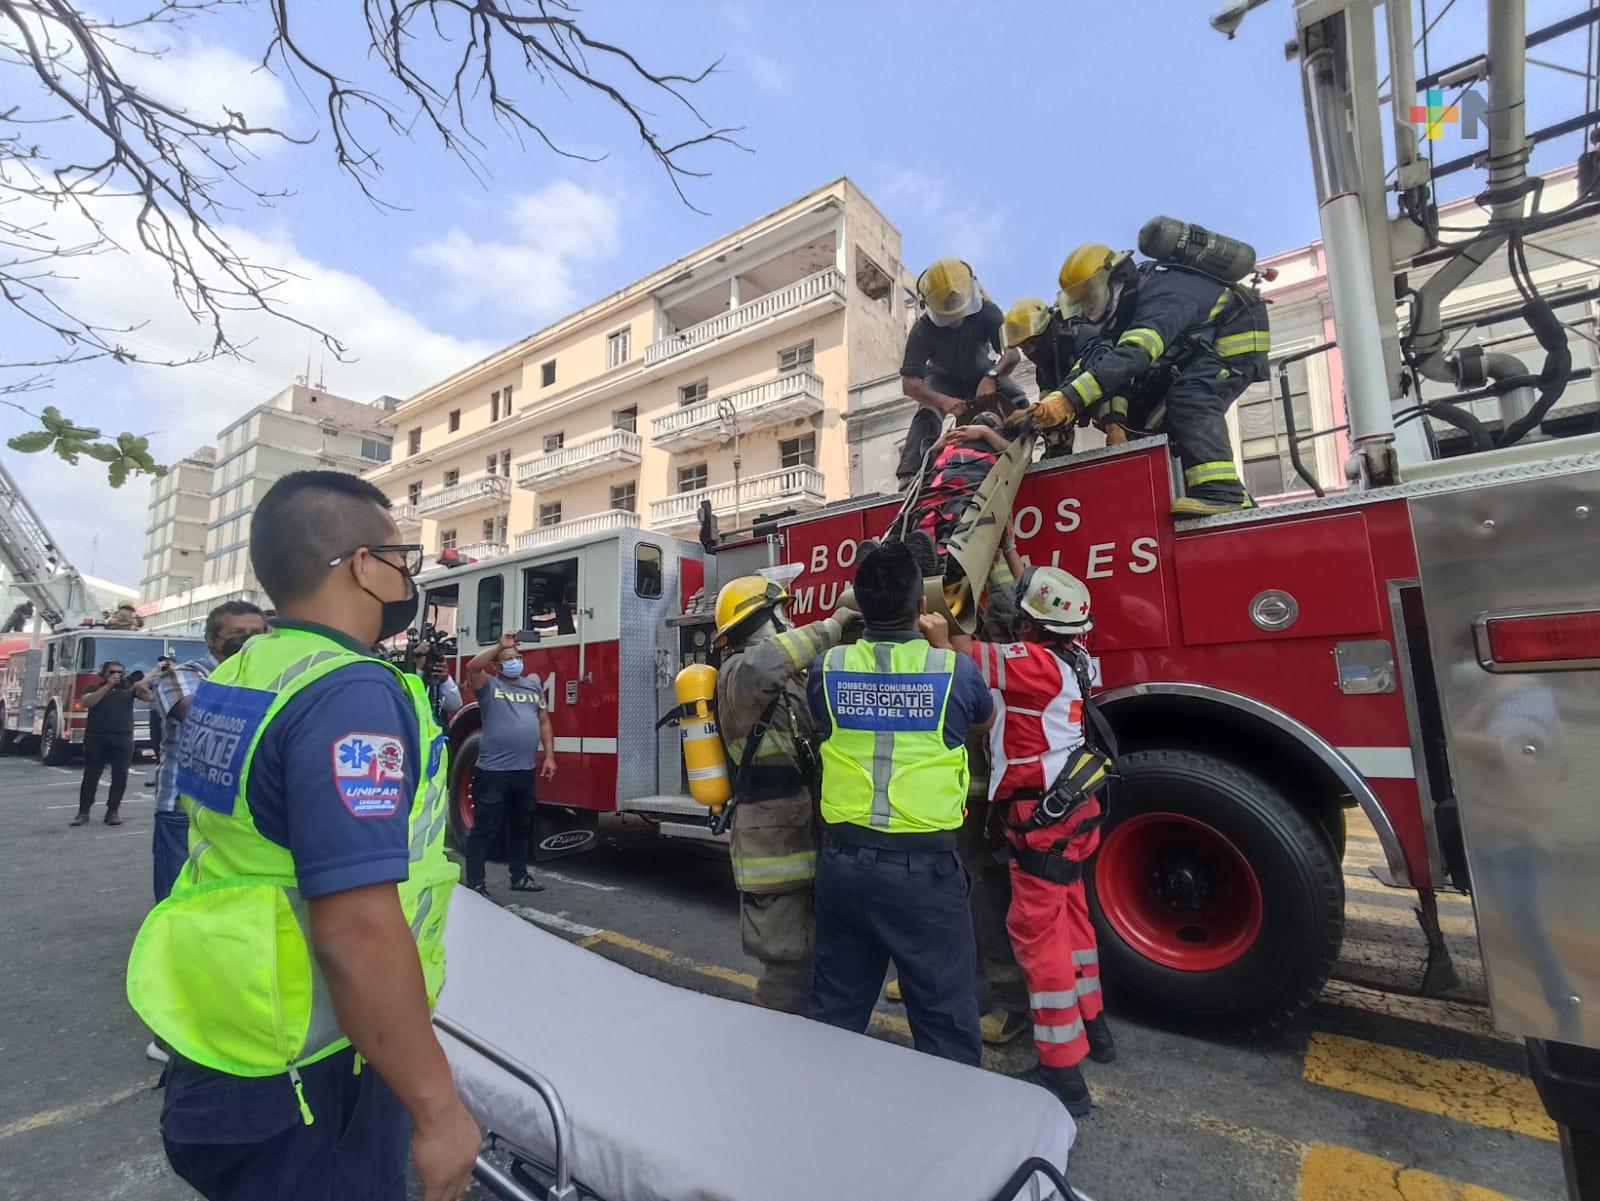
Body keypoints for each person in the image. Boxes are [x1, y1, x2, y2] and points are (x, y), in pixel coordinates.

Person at [126, 470, 479, 1201]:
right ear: (361, 564)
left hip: (230, 1038)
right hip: (311, 1074)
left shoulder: (248, 669)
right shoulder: (350, 691)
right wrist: (437, 1107)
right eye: (400, 556)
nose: (406, 575)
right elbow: (354, 929)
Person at [805, 541, 995, 1065]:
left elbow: (824, 719)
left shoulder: (826, 668)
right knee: (944, 1028)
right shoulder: (951, 670)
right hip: (923, 877)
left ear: (860, 606)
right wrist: (946, 645)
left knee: (834, 1017)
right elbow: (981, 720)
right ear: (920, 606)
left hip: (842, 867)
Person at [953, 566, 1116, 1117]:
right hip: (1074, 811)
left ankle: (1062, 1070)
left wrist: (933, 625)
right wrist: (1015, 563)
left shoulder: (1034, 664)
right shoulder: (1076, 658)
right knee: (1074, 918)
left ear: (1030, 619)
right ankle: (1094, 1028)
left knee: (1036, 935)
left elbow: (963, 650)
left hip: (1041, 818)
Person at [712, 575, 861, 1013]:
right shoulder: (738, 675)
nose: (791, 620)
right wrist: (831, 626)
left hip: (806, 837)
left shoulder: (787, 681)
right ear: (763, 619)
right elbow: (766, 665)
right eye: (783, 613)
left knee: (817, 962)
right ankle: (776, 1054)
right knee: (788, 970)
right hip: (772, 851)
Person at [1034, 242, 1271, 515]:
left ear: (1114, 279)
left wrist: (1068, 400)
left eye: (1088, 296)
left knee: (1191, 398)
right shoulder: (1125, 308)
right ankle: (1241, 504)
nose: (1085, 307)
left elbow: (1135, 355)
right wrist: (1068, 402)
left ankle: (1222, 495)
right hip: (1206, 346)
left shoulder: (1161, 296)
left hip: (1239, 338)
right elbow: (1107, 368)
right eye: (1078, 300)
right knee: (1162, 419)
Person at [148, 603, 267, 902]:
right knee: (179, 898)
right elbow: (204, 714)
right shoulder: (183, 676)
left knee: (227, 897)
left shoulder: (263, 675)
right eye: (237, 633)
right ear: (211, 639)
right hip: (182, 809)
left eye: (256, 633)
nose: (248, 640)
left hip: (239, 810)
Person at [897, 258, 1028, 487]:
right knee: (927, 413)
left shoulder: (987, 312)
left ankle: (1026, 450)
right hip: (943, 379)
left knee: (1017, 397)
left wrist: (992, 377)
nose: (954, 316)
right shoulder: (922, 330)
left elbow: (1012, 355)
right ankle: (911, 475)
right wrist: (942, 400)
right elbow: (910, 385)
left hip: (981, 373)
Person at [464, 632, 556, 896]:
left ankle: (520, 877)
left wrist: (549, 755)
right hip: (493, 772)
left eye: (518, 657)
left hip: (524, 771)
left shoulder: (532, 686)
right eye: (508, 659)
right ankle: (476, 883)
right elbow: (472, 666)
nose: (515, 662)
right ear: (497, 665)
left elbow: (544, 722)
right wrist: (498, 646)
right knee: (484, 827)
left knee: (520, 826)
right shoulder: (488, 685)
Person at [71, 660, 151, 826]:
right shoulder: (93, 688)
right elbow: (88, 702)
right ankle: (83, 812)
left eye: (119, 672)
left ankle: (112, 811)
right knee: (91, 775)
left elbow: (149, 697)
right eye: (112, 672)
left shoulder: (128, 689)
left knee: (120, 776)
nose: (116, 675)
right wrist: (107, 686)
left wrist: (142, 683)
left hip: (123, 737)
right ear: (104, 673)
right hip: (97, 737)